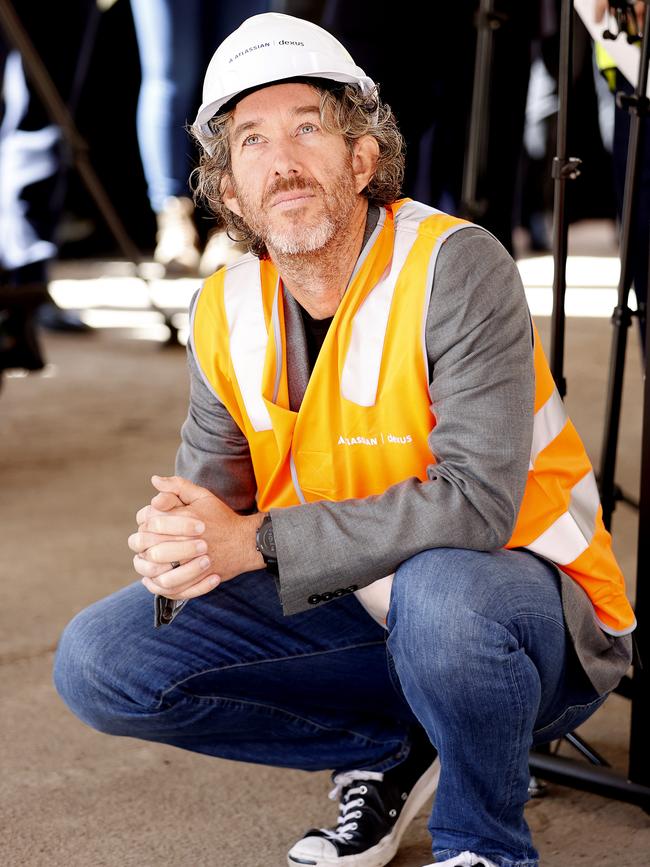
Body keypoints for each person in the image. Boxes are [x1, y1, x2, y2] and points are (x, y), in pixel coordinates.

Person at [53, 13, 636, 867]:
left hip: (525, 618)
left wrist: (252, 540)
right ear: (228, 192)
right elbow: (215, 503)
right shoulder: (225, 304)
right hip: (358, 607)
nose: (281, 159)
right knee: (99, 658)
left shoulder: (454, 265)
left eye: (308, 129)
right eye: (250, 140)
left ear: (363, 160)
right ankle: (397, 748)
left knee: (443, 596)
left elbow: (478, 505)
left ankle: (483, 842)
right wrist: (181, 543)